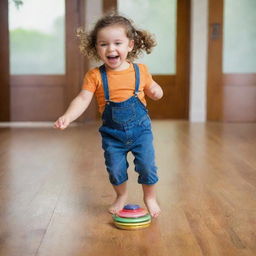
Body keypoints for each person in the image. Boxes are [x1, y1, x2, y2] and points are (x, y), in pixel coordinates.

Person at [54, 13, 163, 218]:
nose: (111, 49)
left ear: (130, 45)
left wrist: (157, 91)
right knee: (115, 168)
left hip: (141, 132)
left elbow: (152, 88)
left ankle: (150, 197)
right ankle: (121, 195)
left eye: (117, 43)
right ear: (96, 48)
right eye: (103, 44)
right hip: (113, 135)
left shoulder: (141, 70)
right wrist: (68, 116)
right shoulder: (95, 76)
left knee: (147, 166)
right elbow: (82, 99)